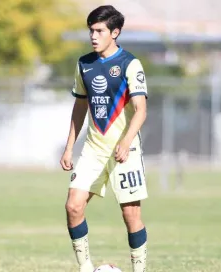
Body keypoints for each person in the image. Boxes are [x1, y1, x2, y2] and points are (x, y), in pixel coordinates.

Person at [60, 5, 148, 272]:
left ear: (115, 32)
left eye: (99, 30)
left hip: (126, 150)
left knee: (130, 215)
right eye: (91, 31)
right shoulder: (84, 64)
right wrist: (68, 148)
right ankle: (86, 268)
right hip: (93, 150)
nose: (93, 36)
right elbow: (79, 108)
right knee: (73, 206)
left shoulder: (130, 64)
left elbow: (141, 110)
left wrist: (126, 140)